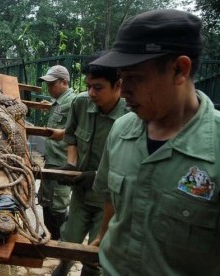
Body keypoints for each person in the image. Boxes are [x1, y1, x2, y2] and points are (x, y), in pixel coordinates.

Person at [90, 9, 220, 275]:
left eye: (135, 78)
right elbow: (112, 200)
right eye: (122, 78)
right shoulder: (121, 130)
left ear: (179, 69)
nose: (123, 90)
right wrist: (103, 237)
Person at [52, 54, 127, 276]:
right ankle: (63, 268)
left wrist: (99, 175)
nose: (92, 92)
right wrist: (71, 164)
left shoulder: (132, 116)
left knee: (96, 254)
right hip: (82, 194)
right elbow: (72, 136)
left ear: (118, 86)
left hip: (110, 201)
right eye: (88, 86)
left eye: (98, 87)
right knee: (68, 243)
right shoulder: (81, 103)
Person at [37, 65, 76, 240]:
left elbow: (74, 131)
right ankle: (51, 234)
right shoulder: (59, 102)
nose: (49, 88)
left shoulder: (73, 102)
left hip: (62, 160)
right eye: (48, 85)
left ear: (64, 82)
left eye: (53, 84)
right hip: (51, 159)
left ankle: (62, 238)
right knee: (45, 199)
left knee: (58, 202)